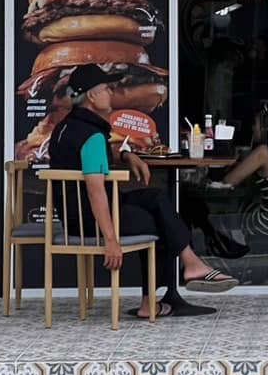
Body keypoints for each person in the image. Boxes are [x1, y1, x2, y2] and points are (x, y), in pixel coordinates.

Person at [48, 64, 237, 318]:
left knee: (156, 197)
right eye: (106, 88)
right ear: (91, 96)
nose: (111, 93)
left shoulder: (65, 128)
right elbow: (95, 193)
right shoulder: (92, 136)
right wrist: (111, 241)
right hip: (91, 220)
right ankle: (158, 295)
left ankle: (190, 264)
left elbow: (91, 162)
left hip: (76, 216)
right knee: (158, 223)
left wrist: (126, 155)